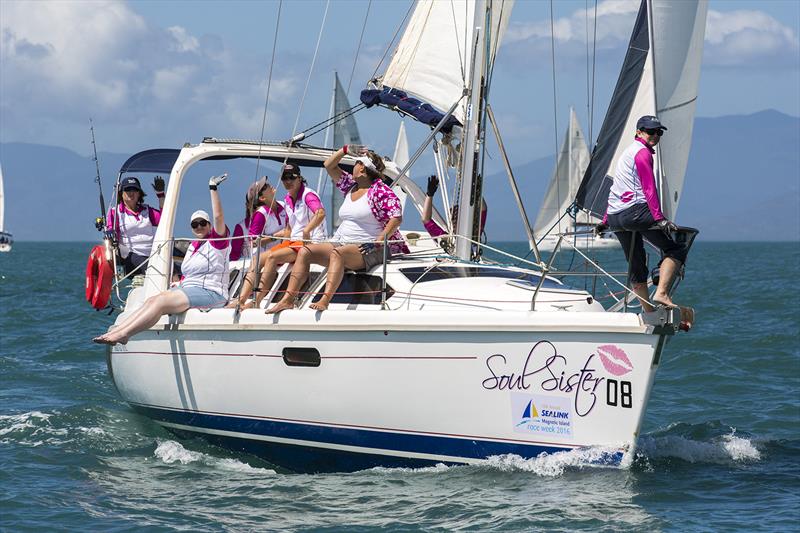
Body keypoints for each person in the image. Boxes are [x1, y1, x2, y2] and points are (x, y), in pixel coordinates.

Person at [266, 145, 408, 313]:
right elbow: (329, 165)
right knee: (305, 252)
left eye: (356, 163)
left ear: (362, 168)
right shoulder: (350, 186)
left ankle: (325, 300)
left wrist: (377, 242)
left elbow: (396, 218)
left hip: (369, 247)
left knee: (338, 254)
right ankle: (288, 300)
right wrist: (345, 150)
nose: (353, 166)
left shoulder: (380, 191)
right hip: (340, 242)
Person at [93, 174, 231, 345]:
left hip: (210, 292)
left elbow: (217, 217)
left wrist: (213, 188)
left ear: (210, 225)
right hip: (134, 257)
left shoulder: (218, 242)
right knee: (151, 300)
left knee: (160, 302)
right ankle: (118, 330)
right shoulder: (193, 247)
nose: (199, 227)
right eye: (195, 224)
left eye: (203, 223)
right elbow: (188, 274)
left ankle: (125, 334)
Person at [598, 115, 688, 311]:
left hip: (616, 216)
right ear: (639, 132)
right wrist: (659, 218)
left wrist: (606, 220)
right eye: (650, 131)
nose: (655, 135)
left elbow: (616, 188)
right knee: (676, 249)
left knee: (636, 263)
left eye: (659, 132)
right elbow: (649, 188)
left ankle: (648, 311)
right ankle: (661, 293)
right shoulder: (642, 153)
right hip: (635, 213)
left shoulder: (627, 153)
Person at [230, 163, 326, 309]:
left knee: (272, 257)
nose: (288, 181)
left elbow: (320, 213)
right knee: (257, 259)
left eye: (291, 177)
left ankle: (256, 302)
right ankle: (241, 300)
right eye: (284, 178)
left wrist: (307, 231)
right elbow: (289, 229)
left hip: (311, 242)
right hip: (294, 241)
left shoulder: (308, 195)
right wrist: (280, 236)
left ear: (299, 178)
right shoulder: (287, 199)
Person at [106, 176, 166, 275]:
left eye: (135, 189)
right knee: (152, 268)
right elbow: (110, 232)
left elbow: (165, 219)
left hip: (153, 253)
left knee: (174, 268)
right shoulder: (115, 213)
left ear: (139, 193)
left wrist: (161, 195)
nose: (131, 192)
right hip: (130, 256)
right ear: (121, 193)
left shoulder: (148, 211)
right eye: (127, 189)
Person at [421, 174, 487, 243]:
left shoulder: (474, 234)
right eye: (453, 219)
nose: (454, 221)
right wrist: (429, 194)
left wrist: (477, 192)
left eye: (456, 218)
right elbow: (426, 220)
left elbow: (483, 209)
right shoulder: (448, 240)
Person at [229, 177, 270, 262]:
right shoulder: (241, 227)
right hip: (251, 267)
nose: (261, 207)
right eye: (258, 203)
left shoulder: (275, 218)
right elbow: (234, 255)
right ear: (248, 205)